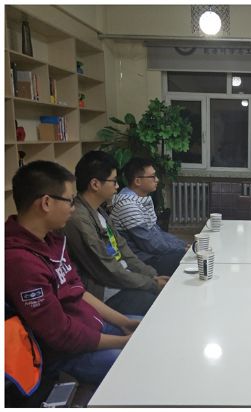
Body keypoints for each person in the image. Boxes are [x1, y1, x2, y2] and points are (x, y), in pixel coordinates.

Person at [5, 160, 141, 384]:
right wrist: (122, 343)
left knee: (151, 329)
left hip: (91, 326)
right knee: (139, 360)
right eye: (70, 201)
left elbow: (78, 291)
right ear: (46, 203)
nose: (73, 208)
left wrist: (124, 322)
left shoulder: (51, 239)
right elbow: (60, 335)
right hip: (67, 354)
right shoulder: (20, 262)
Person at [63, 151, 169, 316]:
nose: (118, 186)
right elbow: (106, 269)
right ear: (95, 184)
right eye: (113, 181)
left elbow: (124, 249)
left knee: (168, 292)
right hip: (108, 292)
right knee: (163, 307)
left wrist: (152, 275)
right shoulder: (78, 219)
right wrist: (152, 284)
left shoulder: (99, 211)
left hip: (124, 279)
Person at [110, 157, 188, 276]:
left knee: (189, 254)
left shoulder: (139, 199)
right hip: (141, 262)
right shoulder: (128, 205)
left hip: (149, 255)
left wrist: (183, 244)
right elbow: (150, 244)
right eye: (152, 177)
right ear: (137, 181)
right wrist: (182, 249)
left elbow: (156, 232)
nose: (157, 180)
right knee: (187, 260)